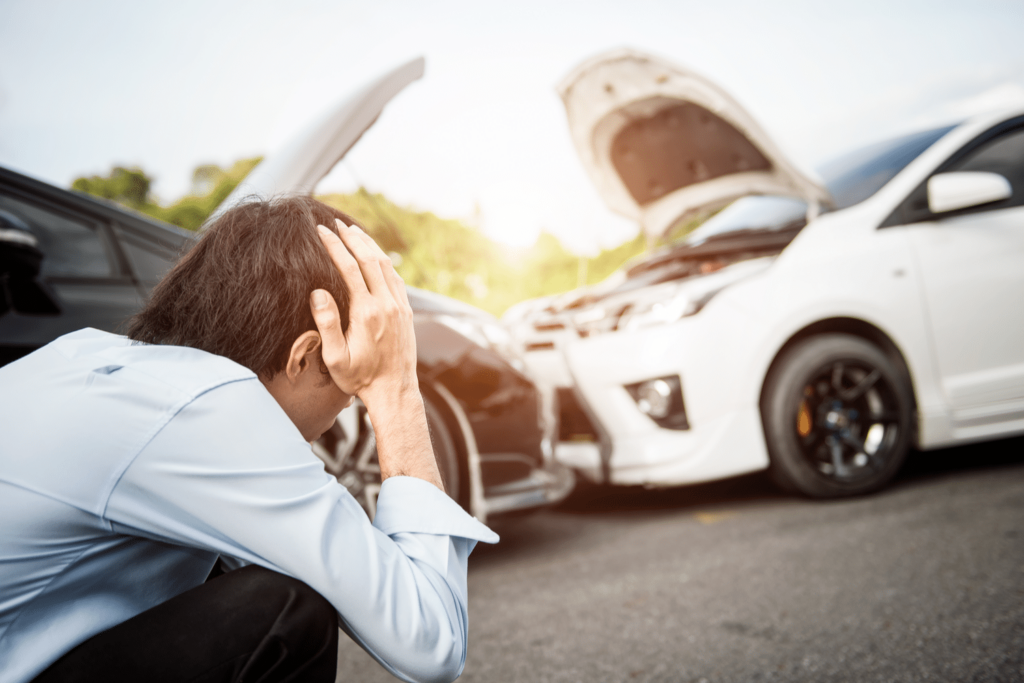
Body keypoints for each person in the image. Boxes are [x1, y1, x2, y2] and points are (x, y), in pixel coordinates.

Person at [0, 195, 498, 683]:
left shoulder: (81, 353)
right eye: (349, 384)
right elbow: (433, 641)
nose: (348, 402)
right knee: (282, 611)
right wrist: (395, 385)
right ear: (304, 355)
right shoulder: (208, 408)